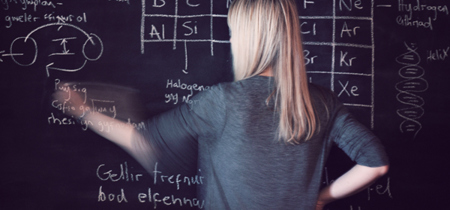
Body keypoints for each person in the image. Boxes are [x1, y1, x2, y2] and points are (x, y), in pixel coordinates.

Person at [54, 0, 389, 209]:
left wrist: (83, 110)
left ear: (249, 38)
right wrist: (321, 198)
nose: (230, 39)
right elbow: (376, 163)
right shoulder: (322, 102)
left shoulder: (223, 101)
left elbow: (141, 141)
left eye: (233, 31)